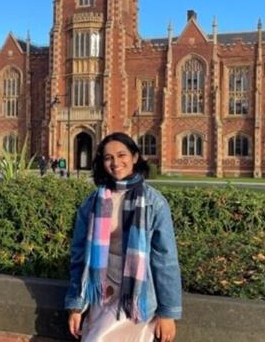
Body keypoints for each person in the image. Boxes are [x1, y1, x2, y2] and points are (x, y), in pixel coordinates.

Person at [65, 132, 182, 342]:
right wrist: (76, 305)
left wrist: (168, 313)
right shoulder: (93, 202)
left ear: (135, 157)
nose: (116, 163)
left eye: (122, 155)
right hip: (101, 292)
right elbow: (79, 255)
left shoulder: (154, 202)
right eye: (108, 158)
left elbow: (165, 260)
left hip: (137, 296)